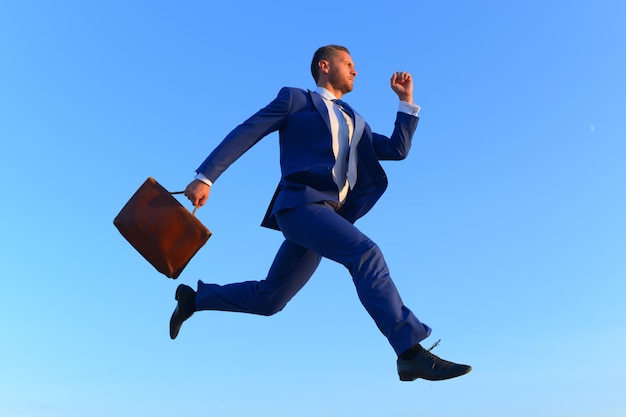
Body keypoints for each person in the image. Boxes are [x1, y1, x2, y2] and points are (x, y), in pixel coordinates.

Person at [170, 45, 471, 381]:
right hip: (300, 205)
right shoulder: (296, 100)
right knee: (365, 253)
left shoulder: (357, 122)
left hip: (329, 215)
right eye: (349, 63)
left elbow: (397, 150)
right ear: (325, 67)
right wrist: (206, 176)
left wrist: (404, 102)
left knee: (271, 299)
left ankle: (194, 299)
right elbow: (247, 131)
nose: (356, 70)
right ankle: (409, 351)